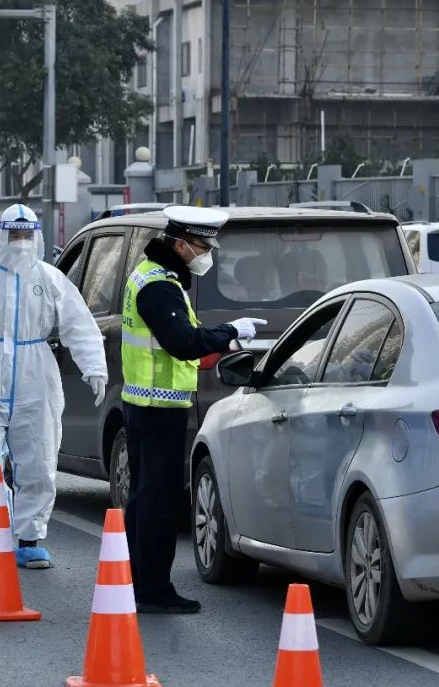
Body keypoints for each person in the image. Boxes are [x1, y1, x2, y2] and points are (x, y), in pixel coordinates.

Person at [0, 204, 108, 569]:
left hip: (36, 372)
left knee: (40, 458)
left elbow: (79, 324)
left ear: (37, 237)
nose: (20, 242)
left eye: (26, 235)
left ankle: (30, 537)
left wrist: (94, 366)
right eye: (14, 235)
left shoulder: (48, 278)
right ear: (2, 236)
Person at [120, 205, 266, 613]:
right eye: (202, 245)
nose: (206, 253)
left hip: (143, 404)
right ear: (180, 243)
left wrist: (224, 339)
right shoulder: (159, 286)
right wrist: (231, 331)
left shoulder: (152, 275)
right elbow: (182, 342)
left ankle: (137, 581)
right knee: (159, 502)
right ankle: (152, 590)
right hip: (156, 409)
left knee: (144, 498)